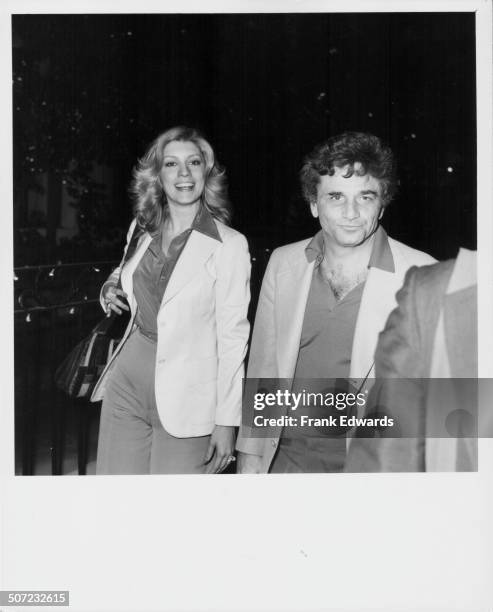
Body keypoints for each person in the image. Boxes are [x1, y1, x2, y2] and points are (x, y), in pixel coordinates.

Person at [236, 131, 435, 473]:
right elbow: (265, 370)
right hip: (288, 460)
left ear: (382, 203)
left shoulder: (422, 273)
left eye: (366, 197)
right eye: (336, 197)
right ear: (314, 204)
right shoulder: (284, 264)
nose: (352, 212)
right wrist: (250, 457)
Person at [91, 126, 251, 474]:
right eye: (171, 164)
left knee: (174, 513)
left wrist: (227, 421)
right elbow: (123, 273)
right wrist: (108, 289)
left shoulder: (230, 245)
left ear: (206, 172)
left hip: (189, 393)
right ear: (157, 174)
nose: (183, 174)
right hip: (129, 378)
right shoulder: (142, 226)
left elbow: (234, 339)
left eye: (193, 162)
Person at [345, 249, 479, 472]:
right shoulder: (430, 292)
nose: (350, 213)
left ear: (382, 212)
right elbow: (388, 456)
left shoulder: (421, 268)